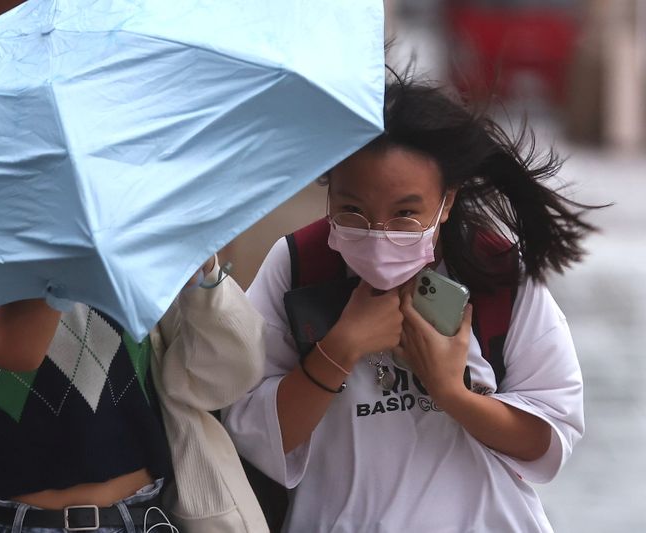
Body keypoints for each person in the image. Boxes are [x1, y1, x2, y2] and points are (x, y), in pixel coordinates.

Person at [223, 74, 595, 532]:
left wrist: (450, 392)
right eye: (353, 210)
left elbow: (548, 437)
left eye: (405, 214)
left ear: (447, 201)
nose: (378, 233)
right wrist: (337, 352)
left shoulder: (496, 271)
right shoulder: (299, 266)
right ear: (328, 190)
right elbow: (248, 434)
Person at [0, 213, 269, 533]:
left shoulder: (122, 222)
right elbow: (15, 346)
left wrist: (206, 278)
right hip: (6, 521)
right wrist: (62, 227)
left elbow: (228, 374)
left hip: (139, 516)